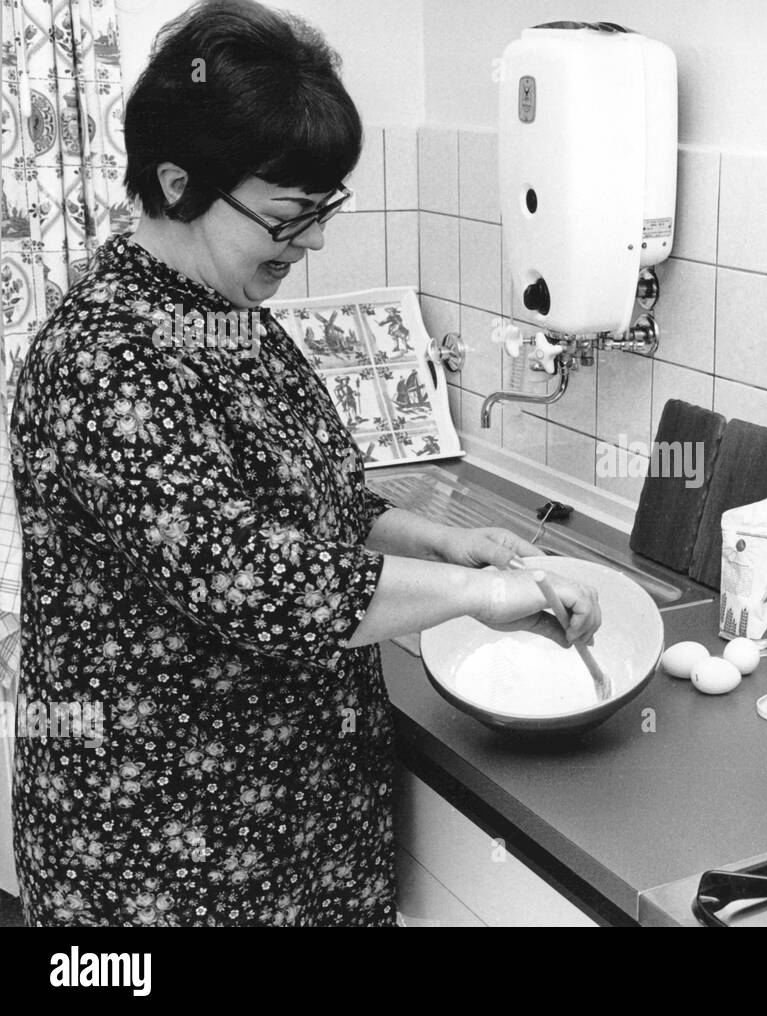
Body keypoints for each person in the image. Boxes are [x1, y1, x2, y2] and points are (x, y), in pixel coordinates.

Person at [8, 0, 599, 927]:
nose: (315, 242)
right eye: (290, 217)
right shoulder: (104, 358)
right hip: (163, 853)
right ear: (175, 183)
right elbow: (256, 579)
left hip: (293, 830)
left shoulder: (230, 316)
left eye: (325, 210)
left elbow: (324, 502)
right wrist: (482, 601)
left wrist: (447, 549)